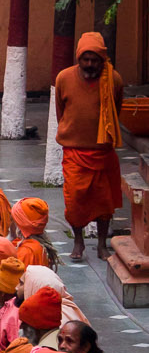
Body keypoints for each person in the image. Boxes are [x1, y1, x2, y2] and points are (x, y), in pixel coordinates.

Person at [54, 31, 124, 264]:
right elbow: (60, 112)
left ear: (102, 60)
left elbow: (117, 109)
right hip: (75, 152)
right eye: (86, 59)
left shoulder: (113, 79)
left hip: (103, 152)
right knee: (74, 200)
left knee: (105, 202)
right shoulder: (64, 78)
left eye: (95, 60)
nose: (90, 64)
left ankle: (102, 245)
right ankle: (78, 241)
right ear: (78, 58)